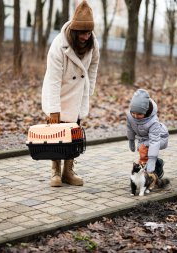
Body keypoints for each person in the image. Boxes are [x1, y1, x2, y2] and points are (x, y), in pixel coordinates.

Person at [41, 0, 100, 187]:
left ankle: (68, 171)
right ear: (75, 31)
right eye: (83, 33)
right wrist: (53, 110)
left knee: (73, 135)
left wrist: (88, 92)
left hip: (77, 95)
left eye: (89, 32)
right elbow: (53, 80)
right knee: (56, 135)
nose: (86, 36)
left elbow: (94, 66)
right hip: (58, 93)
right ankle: (55, 172)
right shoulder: (59, 45)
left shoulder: (93, 43)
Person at [126, 89, 169, 177]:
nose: (135, 116)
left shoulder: (153, 122)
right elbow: (130, 128)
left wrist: (151, 162)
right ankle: (158, 164)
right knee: (142, 149)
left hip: (160, 137)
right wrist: (131, 140)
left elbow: (154, 141)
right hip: (145, 138)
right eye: (133, 113)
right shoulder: (130, 116)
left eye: (139, 114)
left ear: (146, 112)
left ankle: (147, 173)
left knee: (143, 149)